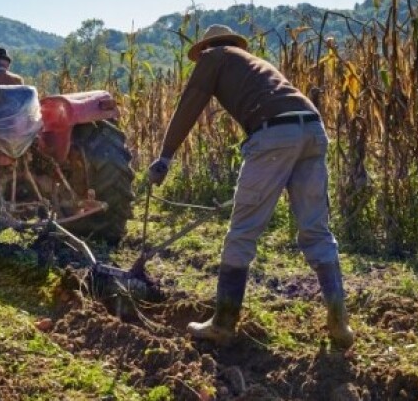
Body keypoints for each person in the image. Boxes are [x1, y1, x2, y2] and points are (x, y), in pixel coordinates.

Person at [147, 24, 354, 350]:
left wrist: (165, 157)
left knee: (242, 232)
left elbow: (191, 102)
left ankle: (223, 324)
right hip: (313, 130)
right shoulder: (252, 63)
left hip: (274, 135)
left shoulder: (214, 56)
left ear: (205, 49)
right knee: (316, 231)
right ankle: (339, 321)